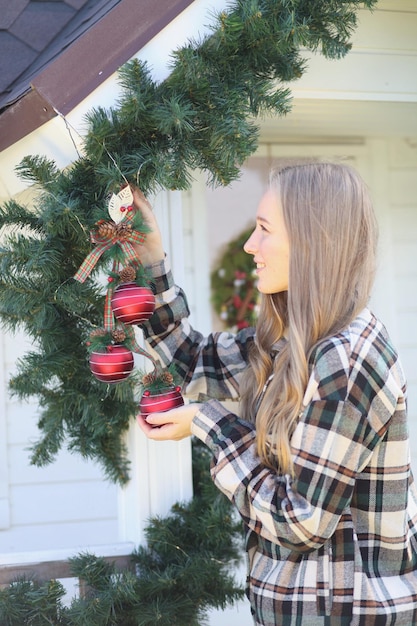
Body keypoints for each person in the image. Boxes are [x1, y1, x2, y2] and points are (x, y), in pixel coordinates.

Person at [133, 161, 417, 626]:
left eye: (264, 229)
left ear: (312, 242)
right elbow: (191, 358)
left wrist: (209, 423)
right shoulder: (290, 345)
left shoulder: (347, 360)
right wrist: (152, 261)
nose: (250, 245)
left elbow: (299, 521)